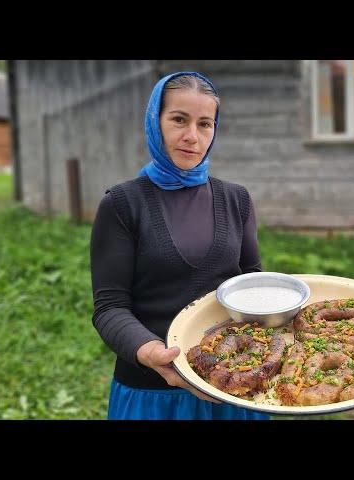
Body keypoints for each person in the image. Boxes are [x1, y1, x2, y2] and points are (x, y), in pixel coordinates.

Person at [90, 71, 269, 420]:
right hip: (153, 393)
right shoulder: (123, 204)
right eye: (178, 120)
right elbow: (109, 307)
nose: (192, 136)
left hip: (234, 388)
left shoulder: (236, 199)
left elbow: (252, 284)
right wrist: (149, 352)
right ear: (155, 122)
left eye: (205, 124)